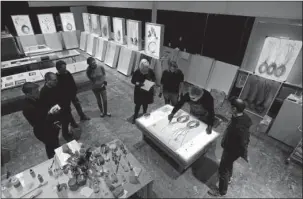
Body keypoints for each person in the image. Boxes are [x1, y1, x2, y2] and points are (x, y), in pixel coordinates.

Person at [208, 98, 252, 197]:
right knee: (228, 165)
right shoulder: (244, 117)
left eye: (231, 107)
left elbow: (243, 141)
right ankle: (229, 178)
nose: (229, 108)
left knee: (223, 169)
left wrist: (243, 153)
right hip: (233, 149)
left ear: (235, 109)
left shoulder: (238, 126)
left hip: (231, 150)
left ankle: (221, 191)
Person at [22, 82, 60, 159]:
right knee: (51, 146)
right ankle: (53, 159)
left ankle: (57, 155)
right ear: (28, 94)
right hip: (43, 131)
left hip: (49, 126)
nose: (39, 93)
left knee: (55, 143)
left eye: (38, 90)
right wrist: (50, 113)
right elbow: (40, 121)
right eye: (36, 92)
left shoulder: (36, 98)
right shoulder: (28, 108)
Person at [39, 72, 74, 142]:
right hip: (57, 113)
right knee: (62, 124)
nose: (57, 81)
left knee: (66, 122)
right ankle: (65, 135)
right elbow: (44, 105)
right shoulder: (43, 92)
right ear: (48, 81)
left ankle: (66, 133)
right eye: (54, 80)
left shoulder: (57, 86)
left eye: (56, 79)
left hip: (64, 108)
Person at [55, 60, 90, 128]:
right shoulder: (56, 78)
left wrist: (74, 91)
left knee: (77, 105)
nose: (65, 69)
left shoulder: (67, 72)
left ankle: (82, 116)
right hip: (64, 97)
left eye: (65, 67)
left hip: (72, 94)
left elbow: (72, 82)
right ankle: (73, 123)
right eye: (63, 68)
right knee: (68, 110)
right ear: (58, 69)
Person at [131, 59, 156, 124]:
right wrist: (139, 84)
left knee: (145, 104)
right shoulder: (137, 72)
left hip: (147, 91)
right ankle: (135, 118)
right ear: (141, 67)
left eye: (147, 68)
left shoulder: (150, 71)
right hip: (139, 92)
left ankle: (144, 116)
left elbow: (154, 78)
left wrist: (152, 82)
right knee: (138, 105)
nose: (146, 69)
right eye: (145, 68)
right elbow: (133, 81)